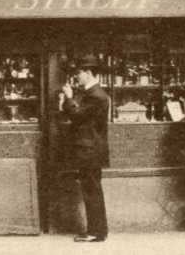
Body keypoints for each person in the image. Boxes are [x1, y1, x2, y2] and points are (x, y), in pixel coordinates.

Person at [60, 55, 110, 243]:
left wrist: (69, 98)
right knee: (92, 189)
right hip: (90, 149)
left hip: (89, 150)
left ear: (88, 73)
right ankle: (97, 231)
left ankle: (96, 233)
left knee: (91, 190)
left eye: (79, 73)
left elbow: (78, 116)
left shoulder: (96, 96)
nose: (76, 77)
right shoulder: (92, 94)